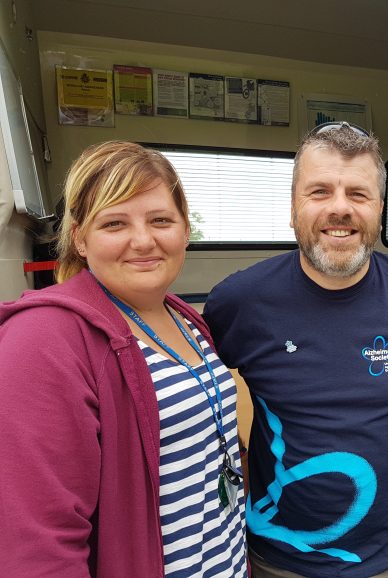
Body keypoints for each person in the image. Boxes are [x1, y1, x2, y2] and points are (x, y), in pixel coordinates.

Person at [204, 122, 388, 578]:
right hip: (278, 562)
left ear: (379, 210)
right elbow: (197, 395)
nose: (339, 208)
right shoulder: (238, 302)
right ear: (293, 208)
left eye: (358, 194)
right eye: (319, 191)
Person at [0, 141, 247, 577]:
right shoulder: (43, 340)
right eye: (114, 223)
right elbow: (38, 546)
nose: (142, 240)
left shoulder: (184, 317)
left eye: (160, 220)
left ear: (185, 230)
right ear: (79, 237)